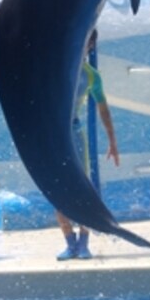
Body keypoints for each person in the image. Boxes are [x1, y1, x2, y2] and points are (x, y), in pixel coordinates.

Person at [55, 29, 120, 261]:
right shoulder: (57, 66)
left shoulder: (91, 75)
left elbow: (103, 108)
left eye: (86, 41)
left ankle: (84, 242)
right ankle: (69, 242)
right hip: (55, 133)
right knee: (57, 189)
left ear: (90, 46)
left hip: (73, 131)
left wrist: (112, 139)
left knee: (81, 188)